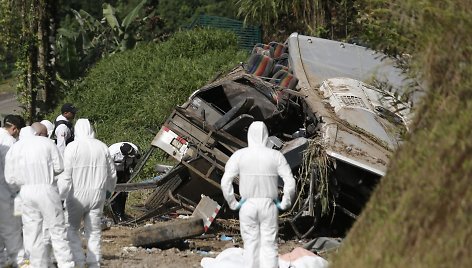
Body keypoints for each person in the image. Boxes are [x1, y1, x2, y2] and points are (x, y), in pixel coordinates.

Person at [221, 121, 296, 268]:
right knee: (269, 246)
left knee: (250, 245)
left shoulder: (239, 155)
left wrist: (233, 203)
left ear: (249, 135)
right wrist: (286, 202)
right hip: (269, 205)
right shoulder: (276, 155)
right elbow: (290, 181)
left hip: (248, 205)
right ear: (266, 136)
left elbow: (225, 182)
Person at [4, 123, 75, 268]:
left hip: (25, 192)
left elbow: (9, 178)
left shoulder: (15, 148)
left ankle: (37, 265)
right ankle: (66, 264)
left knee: (32, 232)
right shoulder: (47, 143)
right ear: (35, 133)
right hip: (46, 189)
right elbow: (59, 167)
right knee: (57, 229)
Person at [59, 119, 117, 268]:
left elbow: (66, 176)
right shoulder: (102, 147)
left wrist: (60, 196)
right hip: (97, 195)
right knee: (94, 230)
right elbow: (112, 174)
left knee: (72, 229)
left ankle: (78, 260)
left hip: (76, 195)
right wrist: (109, 191)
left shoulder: (72, 147)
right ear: (91, 129)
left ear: (76, 131)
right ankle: (94, 262)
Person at [0, 115, 26, 267]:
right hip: (5, 190)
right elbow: (13, 171)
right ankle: (18, 261)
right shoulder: (10, 142)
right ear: (15, 128)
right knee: (12, 230)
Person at [108, 142, 140, 221]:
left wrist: (130, 172)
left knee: (124, 193)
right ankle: (116, 214)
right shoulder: (111, 153)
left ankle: (121, 213)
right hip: (113, 171)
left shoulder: (135, 149)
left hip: (125, 170)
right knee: (115, 192)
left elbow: (136, 161)